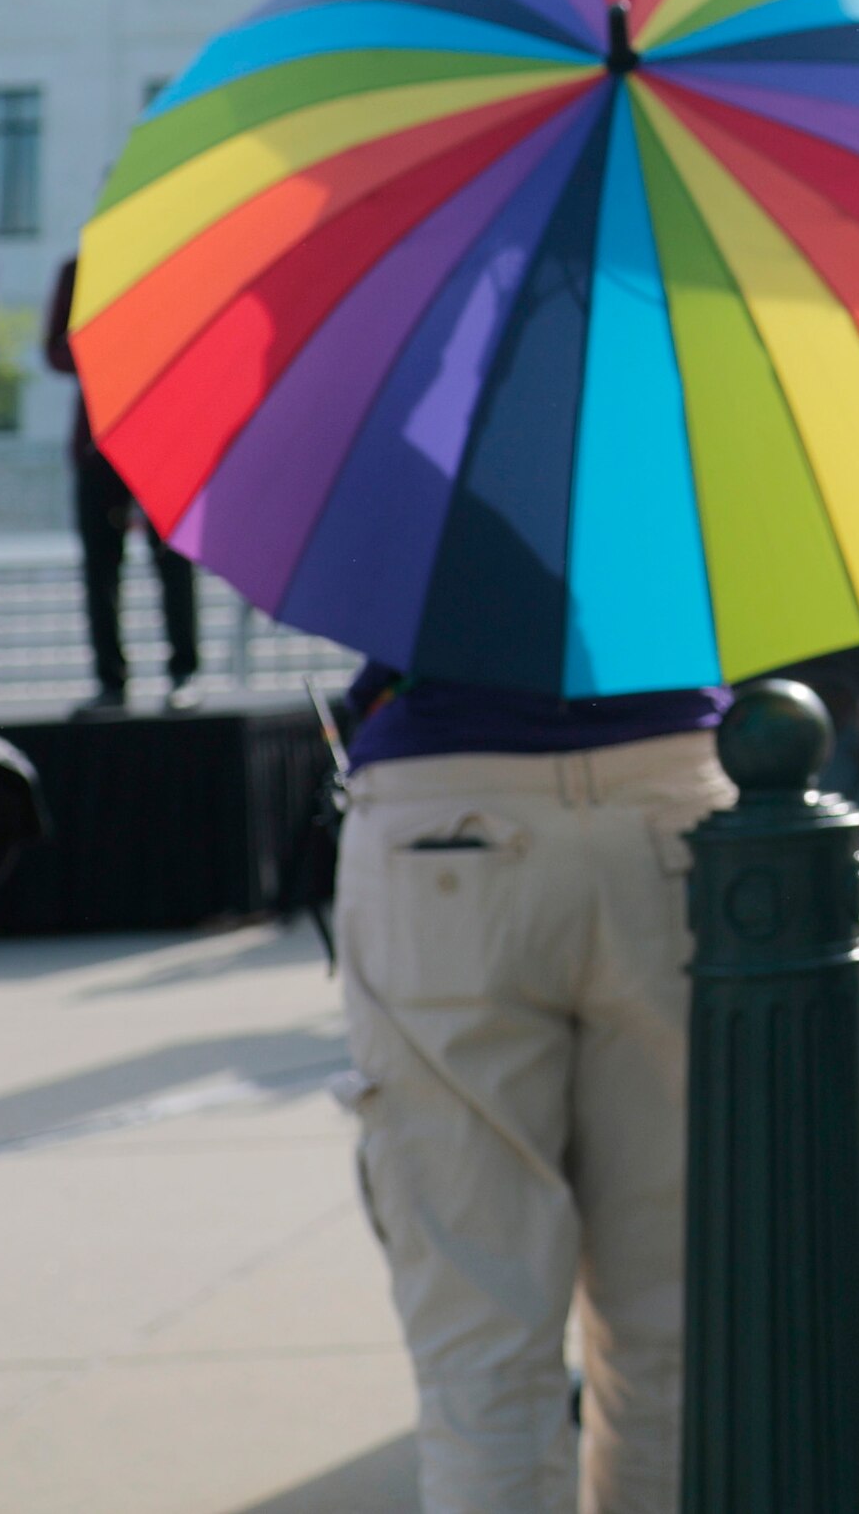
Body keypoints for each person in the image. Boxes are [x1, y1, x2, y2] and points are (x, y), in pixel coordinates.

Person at [326, 649, 733, 1514]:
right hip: (669, 786)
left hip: (442, 794)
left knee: (483, 1351)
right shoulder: (677, 508)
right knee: (674, 1330)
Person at [39, 256, 200, 713]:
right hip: (99, 441)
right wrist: (103, 340)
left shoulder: (171, 265)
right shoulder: (78, 271)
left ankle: (184, 673)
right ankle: (111, 681)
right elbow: (54, 350)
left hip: (163, 437)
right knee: (101, 564)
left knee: (172, 558)